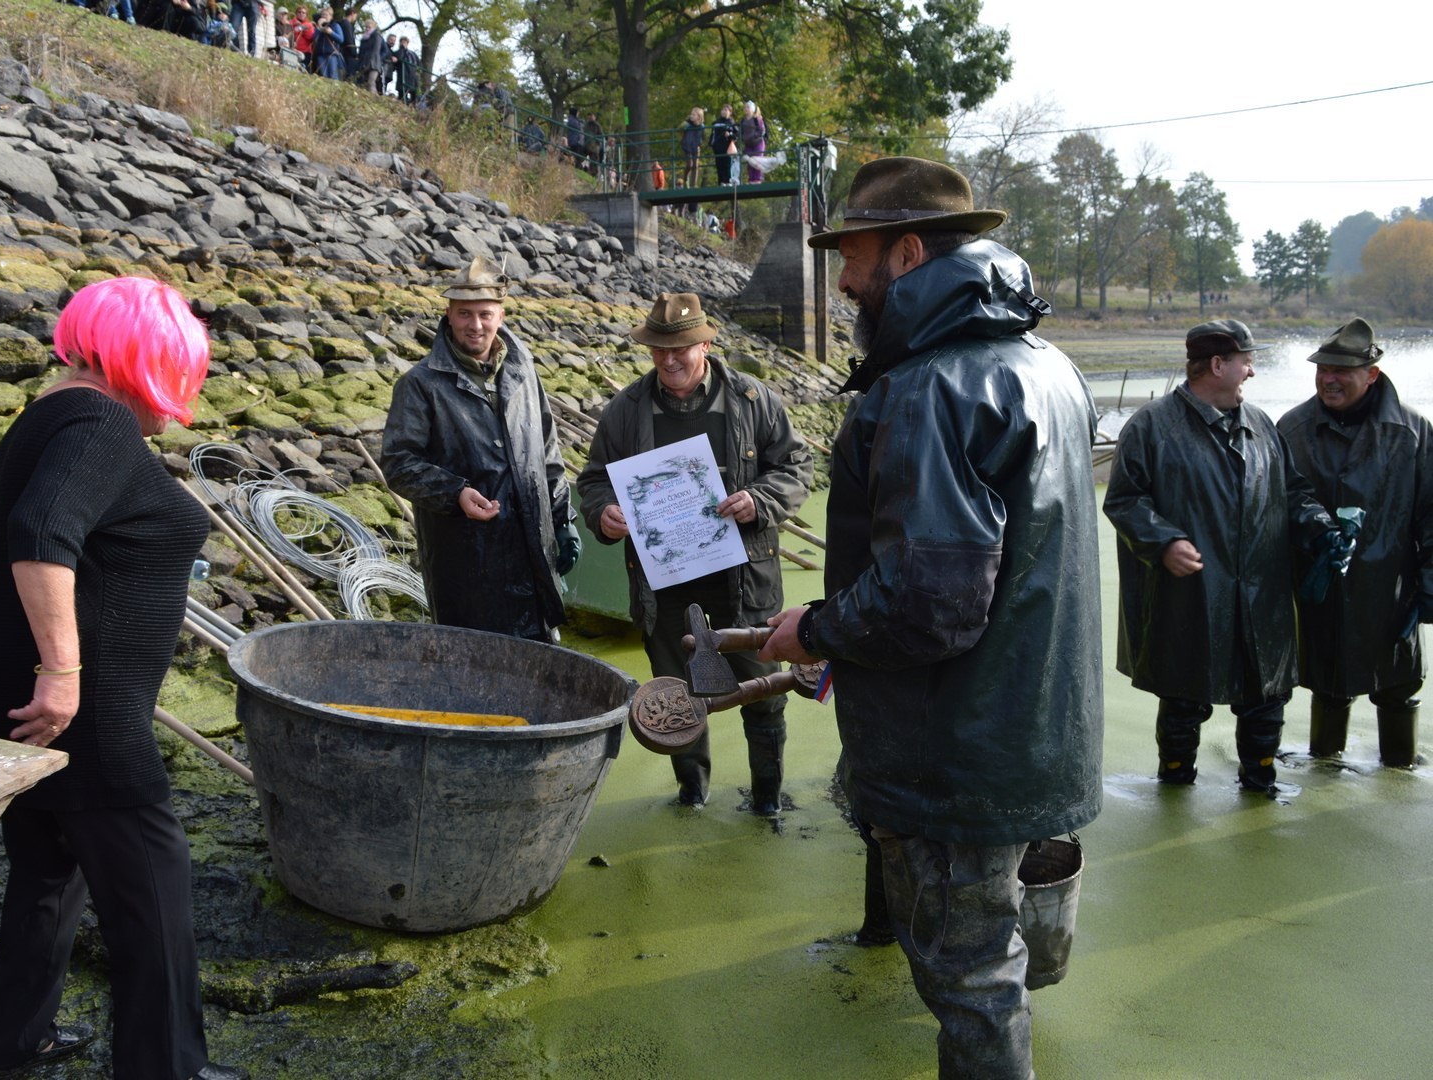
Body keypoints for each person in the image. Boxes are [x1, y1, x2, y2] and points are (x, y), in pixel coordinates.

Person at [761, 156, 1104, 1075]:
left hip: (956, 749)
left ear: (910, 253)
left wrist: (819, 630)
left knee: (970, 979)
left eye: (856, 255)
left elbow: (930, 601)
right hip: (1037, 723)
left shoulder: (928, 389)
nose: (839, 279)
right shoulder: (1050, 367)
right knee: (993, 959)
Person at [0, 278, 245, 1080]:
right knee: (156, 883)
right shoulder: (100, 421)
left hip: (11, 692)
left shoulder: (49, 414)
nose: (179, 399)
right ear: (142, 359)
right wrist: (63, 673)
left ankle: (15, 1046)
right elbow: (42, 530)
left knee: (49, 869)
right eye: (178, 372)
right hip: (79, 714)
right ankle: (168, 1067)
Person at [578, 293, 811, 811]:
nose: (668, 360)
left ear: (706, 343)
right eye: (658, 350)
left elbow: (797, 468)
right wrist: (604, 514)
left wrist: (761, 499)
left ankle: (768, 798)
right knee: (675, 698)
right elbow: (593, 481)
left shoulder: (754, 401)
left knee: (764, 689)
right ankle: (692, 792)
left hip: (746, 580)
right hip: (663, 586)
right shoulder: (625, 410)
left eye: (680, 348)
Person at [1105, 319, 1342, 792]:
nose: (1252, 371)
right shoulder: (1150, 428)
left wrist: (1319, 523)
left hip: (1262, 593)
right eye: (1246, 361)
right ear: (1217, 365)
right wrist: (1164, 541)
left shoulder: (1260, 424)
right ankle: (1175, 780)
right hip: (1191, 593)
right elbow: (1125, 501)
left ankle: (1261, 780)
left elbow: (1290, 491)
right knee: (1183, 696)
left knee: (1265, 696)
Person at [381, 257, 580, 642]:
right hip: (467, 562)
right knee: (476, 670)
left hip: (533, 553)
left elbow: (548, 453)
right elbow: (398, 463)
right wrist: (456, 493)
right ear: (449, 315)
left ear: (500, 316)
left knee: (543, 671)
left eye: (485, 314)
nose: (475, 325)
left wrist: (563, 520)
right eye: (465, 314)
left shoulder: (523, 373)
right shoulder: (420, 384)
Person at [1278, 318, 1433, 767]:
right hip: (1318, 586)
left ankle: (1400, 768)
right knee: (1329, 684)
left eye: (1341, 370)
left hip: (1392, 589)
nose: (1328, 378)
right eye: (1323, 368)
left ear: (1372, 375)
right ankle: (1324, 765)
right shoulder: (1292, 429)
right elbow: (1279, 504)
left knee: (1398, 688)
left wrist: (1429, 584)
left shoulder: (1412, 432)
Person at [710, 104, 737, 185]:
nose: (724, 112)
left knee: (727, 165)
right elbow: (713, 135)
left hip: (727, 148)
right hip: (718, 148)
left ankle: (728, 181)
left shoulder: (732, 123)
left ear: (730, 112)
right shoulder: (715, 123)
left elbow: (735, 136)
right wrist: (712, 144)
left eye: (726, 110)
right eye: (723, 110)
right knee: (719, 166)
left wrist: (729, 135)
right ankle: (721, 182)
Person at [740, 101, 767, 183]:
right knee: (750, 162)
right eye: (745, 107)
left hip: (757, 143)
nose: (746, 109)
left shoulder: (757, 119)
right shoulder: (743, 121)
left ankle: (757, 179)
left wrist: (754, 136)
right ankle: (751, 179)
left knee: (757, 160)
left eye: (748, 107)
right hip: (748, 144)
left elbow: (762, 130)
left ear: (752, 109)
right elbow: (740, 131)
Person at [680, 107, 705, 188]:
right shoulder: (687, 123)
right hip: (687, 146)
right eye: (691, 114)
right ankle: (685, 178)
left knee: (695, 166)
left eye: (694, 115)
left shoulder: (701, 126)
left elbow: (703, 136)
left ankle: (693, 184)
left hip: (696, 146)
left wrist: (700, 143)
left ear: (699, 117)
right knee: (689, 165)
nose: (691, 116)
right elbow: (678, 130)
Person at [394, 35, 419, 102]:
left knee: (414, 94)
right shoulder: (397, 52)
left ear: (407, 43)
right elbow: (398, 59)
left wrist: (417, 73)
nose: (403, 43)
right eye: (402, 42)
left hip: (412, 76)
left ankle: (413, 107)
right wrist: (402, 49)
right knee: (402, 95)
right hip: (402, 76)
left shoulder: (413, 54)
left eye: (405, 42)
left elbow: (419, 64)